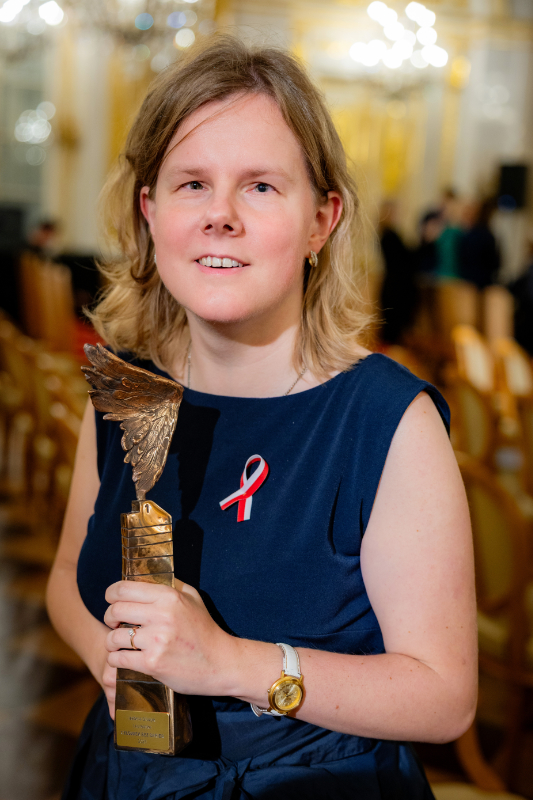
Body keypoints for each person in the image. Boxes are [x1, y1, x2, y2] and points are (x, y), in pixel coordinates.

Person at [47, 36, 477, 800]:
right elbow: (63, 582)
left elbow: (444, 698)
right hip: (126, 774)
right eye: (191, 184)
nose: (219, 215)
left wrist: (229, 664)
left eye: (260, 186)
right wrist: (114, 666)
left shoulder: (385, 421)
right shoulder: (126, 391)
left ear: (320, 221)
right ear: (150, 211)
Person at [378, 200, 418, 345]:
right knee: (393, 334)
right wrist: (427, 241)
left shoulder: (387, 234)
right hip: (396, 290)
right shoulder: (390, 235)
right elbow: (406, 261)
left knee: (391, 332)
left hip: (392, 287)